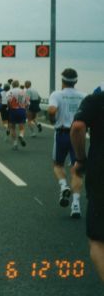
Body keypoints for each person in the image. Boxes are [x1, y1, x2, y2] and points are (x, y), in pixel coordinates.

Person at [71, 85, 104, 281]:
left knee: (99, 240)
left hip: (101, 171)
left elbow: (77, 127)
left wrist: (81, 159)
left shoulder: (97, 100)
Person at [48, 68, 86, 218]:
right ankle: (76, 205)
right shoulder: (83, 96)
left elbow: (51, 110)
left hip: (63, 133)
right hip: (79, 135)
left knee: (58, 164)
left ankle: (64, 186)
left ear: (62, 80)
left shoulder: (57, 94)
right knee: (77, 169)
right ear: (76, 81)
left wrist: (53, 120)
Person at [7, 80, 29, 150]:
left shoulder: (10, 92)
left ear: (12, 85)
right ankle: (21, 135)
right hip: (22, 110)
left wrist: (9, 107)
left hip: (13, 110)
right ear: (18, 84)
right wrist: (25, 109)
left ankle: (15, 143)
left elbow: (8, 101)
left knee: (13, 128)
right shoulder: (23, 92)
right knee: (22, 127)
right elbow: (28, 103)